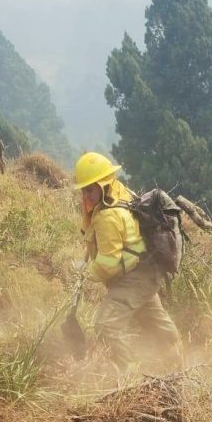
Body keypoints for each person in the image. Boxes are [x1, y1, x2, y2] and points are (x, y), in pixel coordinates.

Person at [74, 151, 182, 370]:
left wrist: (84, 272)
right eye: (85, 190)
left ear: (104, 183)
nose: (87, 195)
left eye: (91, 189)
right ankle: (178, 365)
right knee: (156, 323)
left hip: (134, 278)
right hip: (148, 270)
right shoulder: (119, 191)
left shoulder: (107, 216)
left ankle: (132, 375)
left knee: (105, 326)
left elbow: (109, 264)